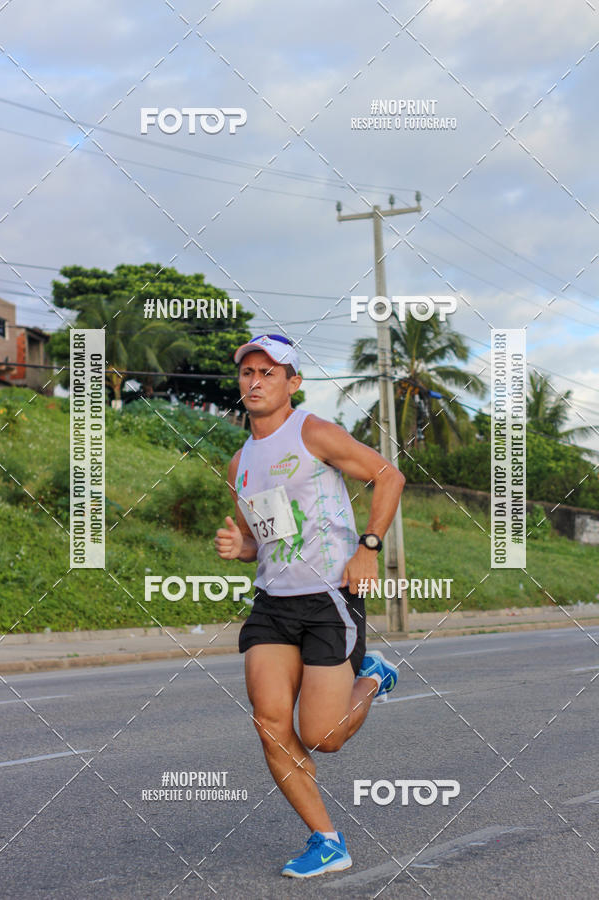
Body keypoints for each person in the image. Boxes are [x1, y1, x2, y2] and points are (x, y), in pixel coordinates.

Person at [214, 333, 405, 879]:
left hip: (328, 598)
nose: (255, 381)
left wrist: (369, 548)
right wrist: (237, 546)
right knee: (270, 722)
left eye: (268, 372)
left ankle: (371, 677)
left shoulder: (313, 432)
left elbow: (389, 475)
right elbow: (262, 540)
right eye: (247, 372)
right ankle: (327, 840)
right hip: (273, 604)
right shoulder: (239, 463)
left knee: (324, 736)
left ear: (292, 383)